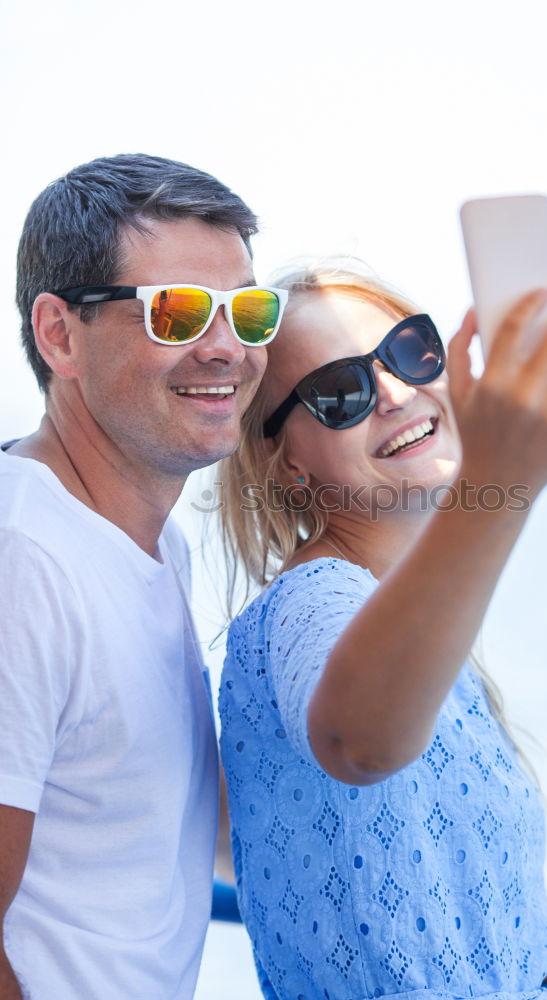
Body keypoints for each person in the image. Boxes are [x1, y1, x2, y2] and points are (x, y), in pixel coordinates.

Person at [218, 262, 547, 1000]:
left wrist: (509, 947)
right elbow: (359, 741)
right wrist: (504, 485)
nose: (397, 393)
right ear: (288, 466)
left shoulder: (397, 618)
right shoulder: (316, 597)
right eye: (341, 393)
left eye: (409, 351)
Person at [0, 154, 288, 999]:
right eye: (178, 312)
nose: (227, 348)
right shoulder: (26, 564)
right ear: (60, 335)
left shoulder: (155, 547)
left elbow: (156, 823)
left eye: (247, 310)